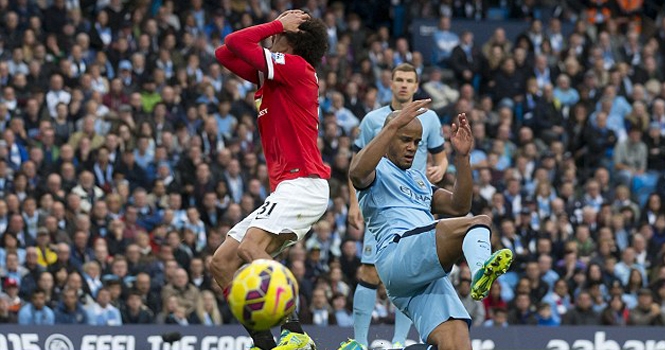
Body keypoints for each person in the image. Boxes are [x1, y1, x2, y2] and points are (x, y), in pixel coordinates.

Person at [345, 101, 512, 350]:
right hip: (398, 254)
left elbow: (458, 206)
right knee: (479, 223)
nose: (412, 147)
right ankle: (480, 272)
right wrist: (392, 127)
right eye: (405, 139)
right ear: (389, 136)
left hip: (423, 273)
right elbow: (357, 174)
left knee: (457, 343)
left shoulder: (418, 179)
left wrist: (463, 158)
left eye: (416, 142)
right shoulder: (376, 168)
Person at [210, 9, 329, 350]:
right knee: (221, 264)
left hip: (304, 182)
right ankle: (265, 343)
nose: (274, 34)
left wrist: (277, 24)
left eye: (280, 31)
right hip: (290, 187)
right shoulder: (272, 75)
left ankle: (295, 332)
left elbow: (235, 41)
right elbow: (224, 52)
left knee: (250, 248)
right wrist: (278, 26)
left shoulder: (297, 68)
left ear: (290, 39)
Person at [348, 63, 448, 348]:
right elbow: (358, 164)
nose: (404, 85)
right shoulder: (373, 120)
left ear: (416, 86)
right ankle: (359, 342)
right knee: (368, 271)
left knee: (415, 272)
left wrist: (441, 168)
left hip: (415, 203)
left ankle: (398, 342)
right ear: (390, 84)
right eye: (399, 80)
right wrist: (353, 204)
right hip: (382, 201)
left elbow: (441, 156)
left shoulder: (430, 119)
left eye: (409, 80)